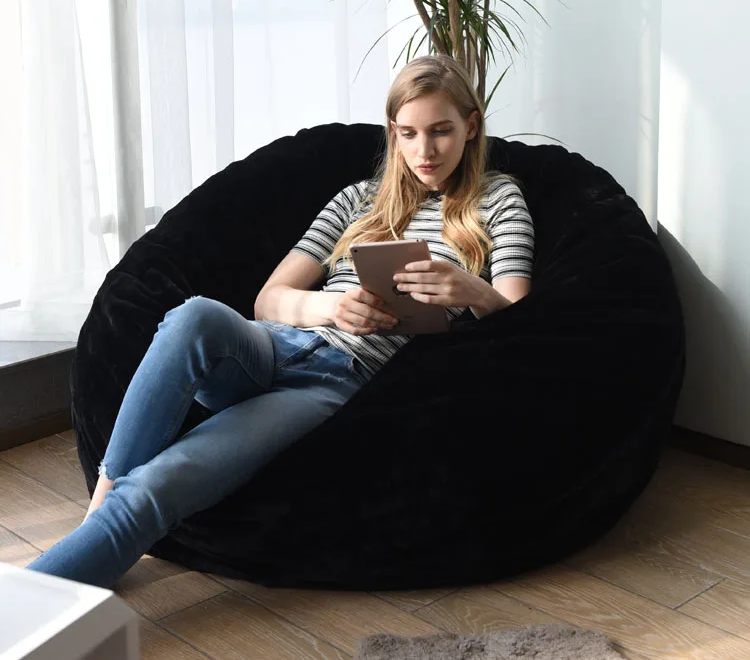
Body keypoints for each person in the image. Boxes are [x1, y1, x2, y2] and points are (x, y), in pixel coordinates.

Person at [26, 54, 534, 588]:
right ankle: (101, 502)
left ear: (470, 126)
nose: (424, 151)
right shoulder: (357, 200)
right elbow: (268, 300)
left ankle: (40, 596)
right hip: (271, 345)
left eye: (441, 132)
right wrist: (332, 307)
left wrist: (472, 291)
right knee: (195, 315)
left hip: (333, 381)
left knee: (157, 488)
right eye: (408, 134)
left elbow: (526, 323)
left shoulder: (499, 201)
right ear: (393, 133)